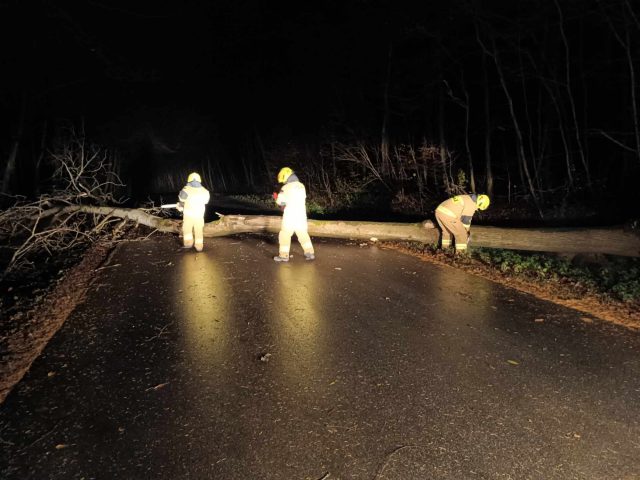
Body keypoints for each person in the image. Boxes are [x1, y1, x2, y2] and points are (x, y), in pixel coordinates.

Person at [273, 167, 315, 262]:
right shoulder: (301, 186)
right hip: (301, 215)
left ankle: (283, 256)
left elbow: (281, 203)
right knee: (303, 234)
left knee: (285, 234)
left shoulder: (285, 188)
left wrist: (276, 197)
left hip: (290, 216)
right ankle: (310, 253)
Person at [177, 172, 210, 252]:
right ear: (199, 180)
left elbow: (181, 200)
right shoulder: (205, 191)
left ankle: (188, 243)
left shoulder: (186, 190)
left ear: (189, 180)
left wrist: (179, 206)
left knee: (187, 229)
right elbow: (206, 201)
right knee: (198, 230)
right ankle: (199, 246)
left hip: (188, 216)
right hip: (199, 216)